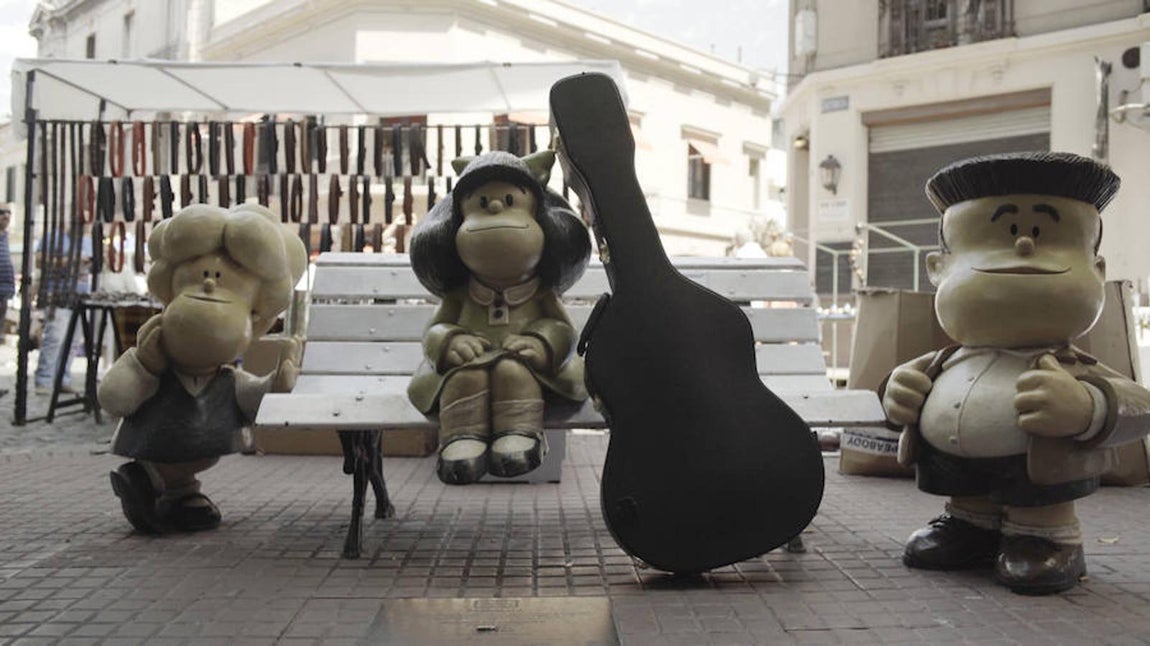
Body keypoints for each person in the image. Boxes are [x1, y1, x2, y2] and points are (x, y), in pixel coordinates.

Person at [882, 152, 1150, 595]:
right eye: (1002, 234)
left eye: (1046, 234)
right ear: (938, 269)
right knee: (967, 500)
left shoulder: (1074, 369)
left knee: (1039, 508)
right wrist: (898, 393)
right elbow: (900, 394)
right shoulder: (943, 362)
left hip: (1041, 473)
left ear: (1098, 272)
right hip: (956, 469)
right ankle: (969, 525)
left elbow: (1139, 406)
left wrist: (1089, 407)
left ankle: (1046, 538)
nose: (1024, 244)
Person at [98, 203, 306, 533]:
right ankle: (154, 481)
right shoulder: (154, 353)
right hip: (155, 435)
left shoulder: (226, 379)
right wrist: (144, 365)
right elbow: (114, 398)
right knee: (176, 461)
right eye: (199, 276)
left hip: (203, 438)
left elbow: (250, 397)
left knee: (189, 472)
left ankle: (172, 490)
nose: (210, 283)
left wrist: (275, 384)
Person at [407, 150, 591, 484]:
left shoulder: (540, 293)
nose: (494, 209)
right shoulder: (460, 295)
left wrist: (542, 342)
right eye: (481, 203)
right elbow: (435, 328)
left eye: (509, 201)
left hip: (528, 367)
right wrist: (449, 340)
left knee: (512, 371)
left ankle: (521, 434)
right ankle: (461, 437)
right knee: (465, 378)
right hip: (466, 366)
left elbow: (563, 328)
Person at [33, 231, 91, 396]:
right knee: (55, 337)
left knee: (73, 342)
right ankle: (44, 379)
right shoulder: (52, 237)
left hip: (80, 296)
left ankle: (62, 379)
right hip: (57, 294)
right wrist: (72, 260)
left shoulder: (88, 240)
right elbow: (39, 261)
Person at [0, 208, 14, 344]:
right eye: (1, 212)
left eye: (8, 213)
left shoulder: (6, 236)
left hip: (4, 289)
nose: (6, 216)